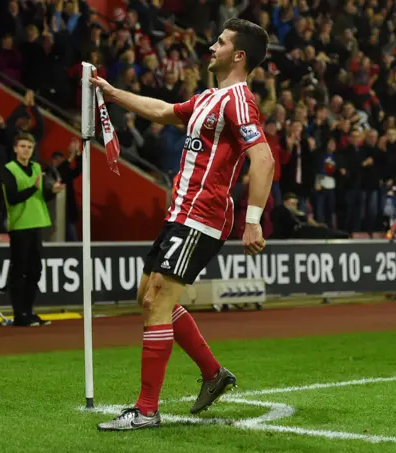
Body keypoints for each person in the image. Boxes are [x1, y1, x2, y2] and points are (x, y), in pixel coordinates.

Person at [90, 18, 274, 431]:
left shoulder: (239, 101)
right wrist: (112, 93)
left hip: (203, 214)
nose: (211, 46)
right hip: (181, 213)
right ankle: (213, 373)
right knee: (149, 297)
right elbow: (163, 110)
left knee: (157, 300)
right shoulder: (210, 98)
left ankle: (146, 409)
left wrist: (253, 221)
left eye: (220, 42)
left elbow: (263, 158)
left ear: (238, 55)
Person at [1, 133, 65, 327]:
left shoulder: (37, 167)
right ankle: (19, 314)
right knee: (19, 271)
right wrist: (33, 187)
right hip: (20, 225)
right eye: (22, 146)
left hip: (37, 222)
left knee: (35, 271)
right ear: (15, 148)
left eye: (29, 147)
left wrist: (51, 192)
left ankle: (28, 311)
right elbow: (13, 197)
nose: (26, 150)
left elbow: (40, 196)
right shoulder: (8, 170)